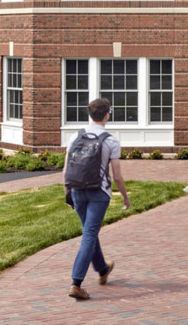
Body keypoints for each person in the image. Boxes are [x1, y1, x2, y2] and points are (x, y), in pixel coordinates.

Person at [64, 97, 130, 301]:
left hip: (76, 190)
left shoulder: (76, 136)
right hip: (98, 194)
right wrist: (125, 198)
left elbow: (66, 170)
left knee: (89, 232)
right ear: (107, 115)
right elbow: (117, 176)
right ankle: (76, 283)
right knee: (89, 234)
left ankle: (102, 269)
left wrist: (68, 192)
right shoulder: (110, 140)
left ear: (89, 114)